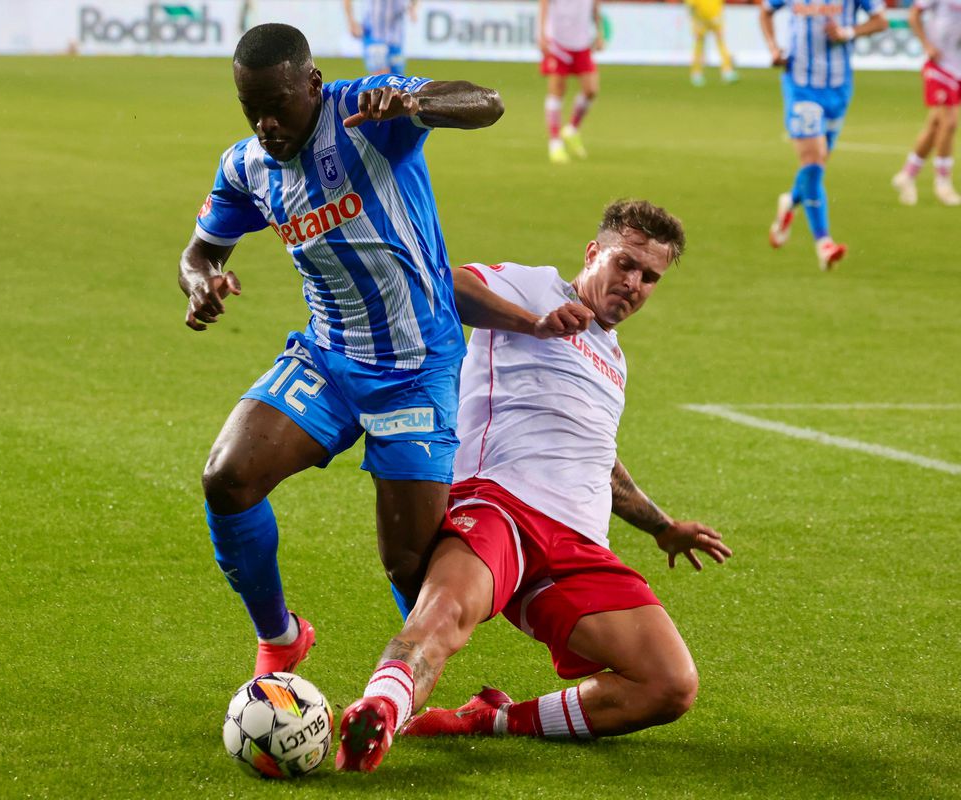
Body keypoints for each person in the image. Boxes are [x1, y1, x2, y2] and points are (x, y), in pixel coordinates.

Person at [182, 24, 592, 681]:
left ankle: (412, 687)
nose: (266, 124)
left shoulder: (365, 111)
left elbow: (485, 102)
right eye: (250, 109)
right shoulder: (246, 167)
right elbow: (202, 250)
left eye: (277, 105)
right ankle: (280, 638)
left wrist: (418, 105)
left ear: (313, 85)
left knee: (408, 560)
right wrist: (202, 283)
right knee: (227, 478)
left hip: (415, 369)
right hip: (329, 357)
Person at [335, 200, 733, 773]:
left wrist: (663, 527)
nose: (634, 284)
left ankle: (488, 718)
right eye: (625, 264)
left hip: (578, 547)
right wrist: (531, 322)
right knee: (445, 610)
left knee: (669, 685)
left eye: (650, 277)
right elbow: (439, 284)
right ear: (593, 253)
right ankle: (380, 712)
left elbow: (601, 464)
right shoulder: (531, 287)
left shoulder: (614, 362)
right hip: (500, 504)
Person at [761, 0, 888, 271]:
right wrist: (773, 47)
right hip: (801, 86)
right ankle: (824, 243)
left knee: (818, 165)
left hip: (839, 87)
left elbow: (880, 21)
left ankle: (791, 201)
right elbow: (765, 10)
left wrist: (849, 32)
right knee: (813, 162)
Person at [890, 0, 961, 207]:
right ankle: (943, 181)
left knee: (935, 126)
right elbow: (914, 14)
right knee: (949, 123)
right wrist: (927, 45)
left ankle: (907, 174)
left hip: (957, 67)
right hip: (939, 65)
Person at [539, 0, 603, 164]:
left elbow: (595, 5)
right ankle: (555, 143)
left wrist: (599, 32)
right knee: (557, 91)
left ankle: (571, 129)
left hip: (582, 43)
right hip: (558, 41)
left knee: (591, 90)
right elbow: (544, 3)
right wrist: (541, 34)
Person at [344, 0, 418, 75]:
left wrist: (413, 6)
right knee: (381, 77)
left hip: (396, 35)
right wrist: (351, 22)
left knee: (397, 78)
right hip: (373, 32)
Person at [686, 0, 739, 87]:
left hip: (715, 18)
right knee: (699, 46)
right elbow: (691, 5)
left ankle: (727, 71)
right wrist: (694, 20)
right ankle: (696, 73)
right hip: (700, 20)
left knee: (721, 44)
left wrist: (720, 14)